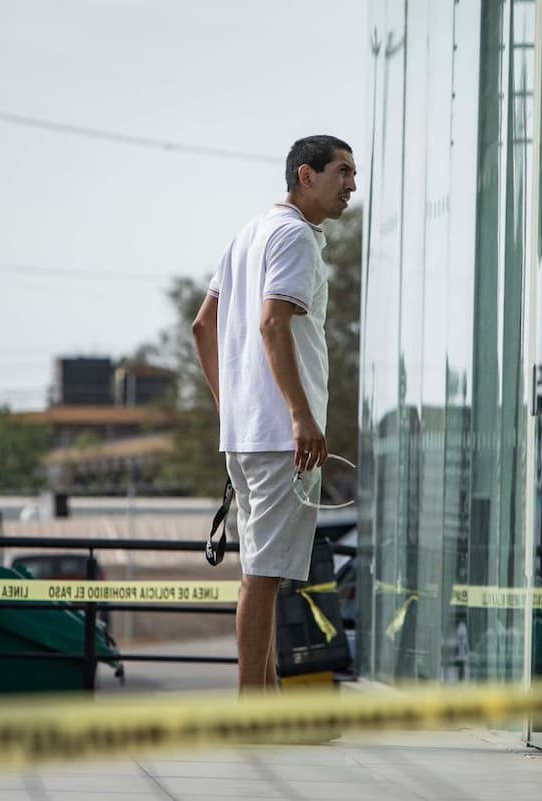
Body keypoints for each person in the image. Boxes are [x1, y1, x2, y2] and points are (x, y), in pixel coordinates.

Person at [192, 135, 356, 691]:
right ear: (305, 177)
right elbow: (271, 322)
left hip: (250, 432)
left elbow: (201, 327)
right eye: (342, 172)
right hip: (277, 436)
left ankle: (267, 701)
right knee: (262, 577)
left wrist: (228, 407)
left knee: (261, 573)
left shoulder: (247, 234)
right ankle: (254, 707)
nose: (351, 185)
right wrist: (300, 416)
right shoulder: (292, 235)